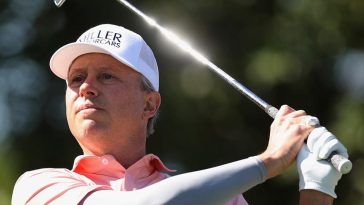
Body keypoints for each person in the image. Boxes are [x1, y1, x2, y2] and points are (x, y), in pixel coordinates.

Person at [11, 24, 348, 205]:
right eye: (76, 79)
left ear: (149, 104)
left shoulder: (222, 197)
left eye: (107, 76)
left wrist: (317, 189)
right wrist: (269, 162)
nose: (86, 87)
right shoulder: (39, 186)